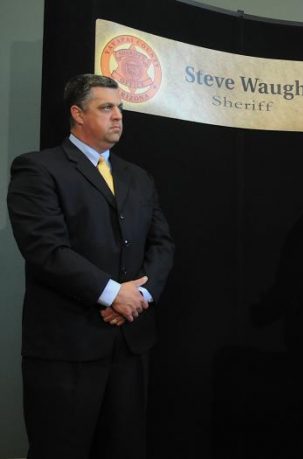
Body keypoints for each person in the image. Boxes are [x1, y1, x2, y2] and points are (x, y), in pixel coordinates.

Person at [7, 74, 175, 458]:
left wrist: (139, 296)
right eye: (106, 108)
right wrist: (115, 294)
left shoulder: (138, 177)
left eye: (120, 108)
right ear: (77, 114)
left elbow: (162, 244)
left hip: (130, 345)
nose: (118, 117)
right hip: (66, 348)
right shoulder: (37, 169)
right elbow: (45, 248)